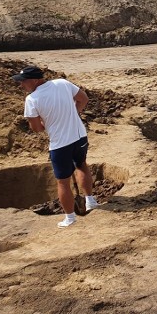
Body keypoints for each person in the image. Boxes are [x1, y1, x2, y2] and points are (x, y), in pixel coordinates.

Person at [13, 66, 99, 228]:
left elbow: (36, 128)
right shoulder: (62, 83)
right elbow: (84, 99)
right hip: (80, 135)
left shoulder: (32, 100)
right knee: (82, 165)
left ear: (35, 80)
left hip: (60, 145)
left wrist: (48, 122)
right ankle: (90, 201)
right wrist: (73, 113)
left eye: (24, 81)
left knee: (63, 182)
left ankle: (70, 217)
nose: (21, 85)